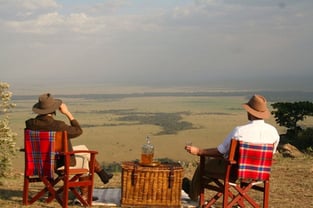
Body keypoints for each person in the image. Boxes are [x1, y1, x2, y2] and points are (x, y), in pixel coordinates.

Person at [183, 94, 280, 201]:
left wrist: (198, 151)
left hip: (235, 171)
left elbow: (220, 151)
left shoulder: (240, 131)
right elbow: (272, 154)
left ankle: (193, 192)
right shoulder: (273, 132)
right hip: (259, 173)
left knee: (203, 165)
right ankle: (237, 200)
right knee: (212, 163)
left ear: (250, 111)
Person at [25, 93, 113, 202]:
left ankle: (102, 174)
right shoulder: (58, 125)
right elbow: (78, 131)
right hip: (59, 163)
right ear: (54, 109)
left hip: (39, 162)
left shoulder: (30, 124)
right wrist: (67, 113)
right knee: (85, 158)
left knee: (84, 148)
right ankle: (85, 194)